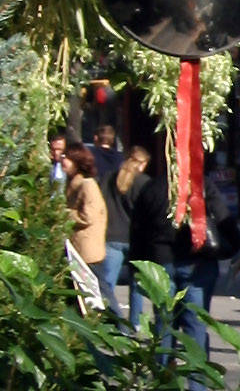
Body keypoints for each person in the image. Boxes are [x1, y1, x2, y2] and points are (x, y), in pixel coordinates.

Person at [111, 146, 176, 330]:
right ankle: (134, 322)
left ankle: (113, 319)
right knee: (137, 285)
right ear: (143, 163)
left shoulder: (111, 178)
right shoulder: (146, 183)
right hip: (133, 237)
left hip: (112, 235)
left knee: (106, 286)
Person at [61, 140, 122, 315]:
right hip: (76, 249)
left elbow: (89, 215)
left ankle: (122, 328)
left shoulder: (87, 185)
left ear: (78, 161)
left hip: (88, 251)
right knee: (82, 294)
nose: (63, 160)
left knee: (101, 292)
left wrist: (63, 213)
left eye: (68, 158)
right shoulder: (72, 184)